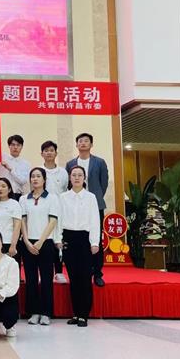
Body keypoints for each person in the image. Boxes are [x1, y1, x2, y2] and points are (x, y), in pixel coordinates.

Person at [59, 166, 101, 327]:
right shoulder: (63, 197)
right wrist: (59, 239)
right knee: (73, 278)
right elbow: (59, 220)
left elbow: (95, 220)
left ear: (84, 178)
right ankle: (76, 313)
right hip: (68, 238)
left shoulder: (90, 197)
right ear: (70, 178)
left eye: (80, 175)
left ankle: (84, 314)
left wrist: (94, 242)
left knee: (84, 278)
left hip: (84, 239)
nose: (76, 178)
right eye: (74, 175)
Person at [65, 133, 109, 287]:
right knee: (79, 243)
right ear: (76, 145)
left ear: (91, 144)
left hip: (94, 205)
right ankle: (82, 271)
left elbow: (104, 184)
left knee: (96, 239)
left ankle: (97, 273)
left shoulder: (99, 162)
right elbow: (68, 184)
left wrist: (94, 199)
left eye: (86, 141)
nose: (83, 143)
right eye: (80, 141)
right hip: (75, 207)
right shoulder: (70, 163)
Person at [19, 167, 61, 326]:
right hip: (28, 243)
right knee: (31, 279)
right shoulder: (24, 199)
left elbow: (53, 221)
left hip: (46, 242)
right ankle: (33, 311)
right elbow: (22, 221)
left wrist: (40, 241)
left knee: (46, 279)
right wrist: (27, 241)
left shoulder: (52, 198)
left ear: (44, 180)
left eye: (38, 176)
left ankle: (46, 312)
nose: (35, 179)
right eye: (33, 176)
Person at [42, 140, 69, 284]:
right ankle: (44, 271)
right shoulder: (38, 171)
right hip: (42, 212)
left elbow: (64, 191)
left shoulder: (63, 172)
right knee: (45, 240)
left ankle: (58, 272)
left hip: (59, 211)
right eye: (46, 151)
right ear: (42, 154)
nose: (49, 153)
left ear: (56, 153)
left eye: (51, 150)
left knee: (58, 240)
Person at [0, 178, 23, 259]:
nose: (0, 189)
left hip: (9, 243)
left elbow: (17, 227)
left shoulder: (14, 204)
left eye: (3, 186)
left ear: (9, 189)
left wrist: (13, 245)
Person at [0, 135, 31, 199]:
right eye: (13, 145)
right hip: (3, 194)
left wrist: (10, 169)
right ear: (9, 146)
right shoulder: (2, 157)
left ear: (22, 147)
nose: (15, 147)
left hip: (18, 195)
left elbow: (23, 181)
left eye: (18, 145)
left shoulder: (26, 164)